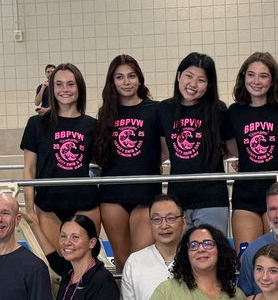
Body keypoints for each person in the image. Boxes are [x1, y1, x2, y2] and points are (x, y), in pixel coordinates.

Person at [224, 52, 278, 252]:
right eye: (251, 74)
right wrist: (248, 158)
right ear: (243, 77)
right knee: (248, 257)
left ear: (273, 79)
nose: (256, 81)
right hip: (246, 195)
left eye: (263, 76)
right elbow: (233, 146)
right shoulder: (235, 111)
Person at [21, 63, 99, 251]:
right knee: (58, 266)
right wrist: (30, 207)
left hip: (85, 203)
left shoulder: (92, 125)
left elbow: (101, 165)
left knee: (86, 263)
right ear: (52, 88)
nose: (65, 89)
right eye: (59, 84)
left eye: (70, 84)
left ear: (79, 87)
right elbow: (29, 168)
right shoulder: (37, 124)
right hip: (48, 205)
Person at [95, 54, 160, 271]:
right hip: (113, 195)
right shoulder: (105, 113)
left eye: (131, 76)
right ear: (112, 82)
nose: (126, 82)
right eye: (120, 77)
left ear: (139, 79)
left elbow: (166, 148)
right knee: (123, 262)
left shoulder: (154, 110)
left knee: (141, 262)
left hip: (145, 194)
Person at [157, 52, 229, 233]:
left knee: (211, 253)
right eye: (189, 76)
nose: (193, 84)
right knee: (181, 257)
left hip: (212, 198)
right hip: (177, 199)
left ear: (209, 84)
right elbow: (164, 150)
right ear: (179, 76)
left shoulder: (218, 110)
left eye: (201, 80)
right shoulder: (165, 110)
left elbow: (231, 147)